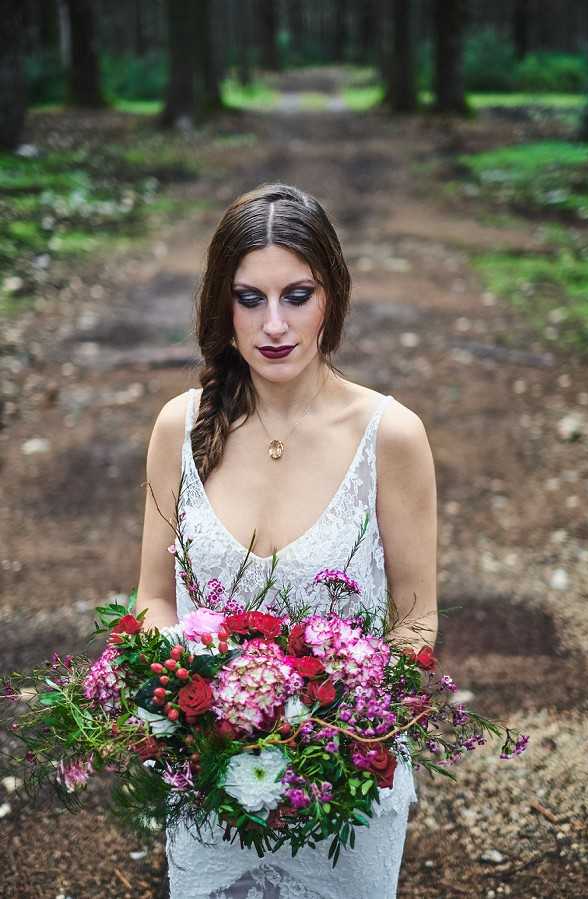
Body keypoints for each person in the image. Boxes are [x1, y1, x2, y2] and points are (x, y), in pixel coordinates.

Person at [135, 183, 438, 898]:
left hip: (339, 792)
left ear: (332, 295)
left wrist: (332, 734)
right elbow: (152, 596)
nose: (274, 324)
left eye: (297, 295)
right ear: (222, 305)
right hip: (208, 781)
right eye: (250, 298)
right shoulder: (179, 428)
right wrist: (190, 710)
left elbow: (416, 622)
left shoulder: (389, 436)